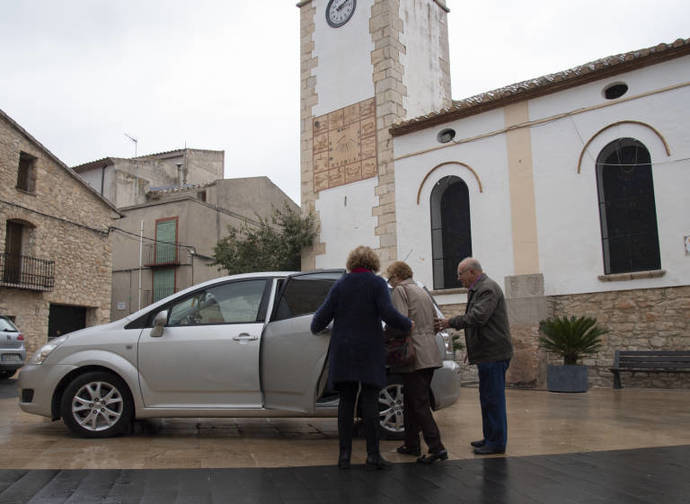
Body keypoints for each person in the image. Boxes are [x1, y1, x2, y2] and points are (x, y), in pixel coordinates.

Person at [311, 246, 413, 470]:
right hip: (369, 351)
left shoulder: (340, 284)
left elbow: (319, 319)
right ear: (372, 263)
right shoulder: (377, 284)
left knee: (346, 404)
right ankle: (373, 455)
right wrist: (408, 324)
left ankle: (344, 456)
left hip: (344, 352)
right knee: (369, 403)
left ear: (351, 262)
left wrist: (320, 328)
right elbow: (388, 313)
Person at [434, 257, 513, 455]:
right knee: (487, 398)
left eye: (460, 274)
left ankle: (496, 442)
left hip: (494, 354)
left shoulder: (487, 289)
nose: (459, 279)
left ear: (472, 272)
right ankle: (490, 437)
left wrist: (449, 322)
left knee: (493, 399)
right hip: (487, 353)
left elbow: (478, 317)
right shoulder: (479, 289)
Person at [386, 261, 447, 464]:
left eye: (390, 277)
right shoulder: (422, 291)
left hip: (414, 354)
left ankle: (437, 447)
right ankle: (411, 444)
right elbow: (436, 322)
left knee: (419, 403)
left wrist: (385, 335)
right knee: (411, 401)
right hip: (430, 352)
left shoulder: (400, 291)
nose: (390, 282)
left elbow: (401, 321)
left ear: (396, 276)